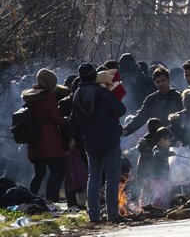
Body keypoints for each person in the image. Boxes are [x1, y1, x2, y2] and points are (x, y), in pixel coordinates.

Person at [70, 63, 127, 223]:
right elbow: (121, 110)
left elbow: (74, 120)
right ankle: (112, 214)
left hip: (90, 142)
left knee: (93, 178)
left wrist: (72, 137)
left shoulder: (77, 95)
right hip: (109, 140)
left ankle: (93, 215)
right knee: (112, 177)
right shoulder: (101, 93)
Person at [23, 68, 68, 204]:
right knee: (58, 170)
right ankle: (50, 199)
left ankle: (31, 199)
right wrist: (66, 120)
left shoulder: (30, 96)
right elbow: (57, 118)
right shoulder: (47, 97)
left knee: (39, 173)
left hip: (34, 141)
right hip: (49, 141)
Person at [122, 66, 183, 137]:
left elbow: (185, 117)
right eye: (158, 82)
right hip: (158, 137)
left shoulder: (178, 97)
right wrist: (127, 129)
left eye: (163, 80)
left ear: (168, 80)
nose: (161, 84)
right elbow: (141, 117)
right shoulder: (151, 99)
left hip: (176, 136)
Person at [136, 118, 162, 206]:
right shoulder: (157, 140)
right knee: (153, 188)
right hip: (152, 169)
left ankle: (144, 204)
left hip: (143, 167)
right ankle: (152, 205)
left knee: (145, 187)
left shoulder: (144, 139)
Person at [147, 127, 174, 209]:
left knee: (164, 195)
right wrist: (169, 153)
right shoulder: (157, 149)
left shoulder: (162, 149)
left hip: (163, 177)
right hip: (157, 178)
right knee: (158, 195)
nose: (170, 142)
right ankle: (157, 209)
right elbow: (158, 154)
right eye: (169, 140)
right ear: (162, 140)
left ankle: (164, 209)